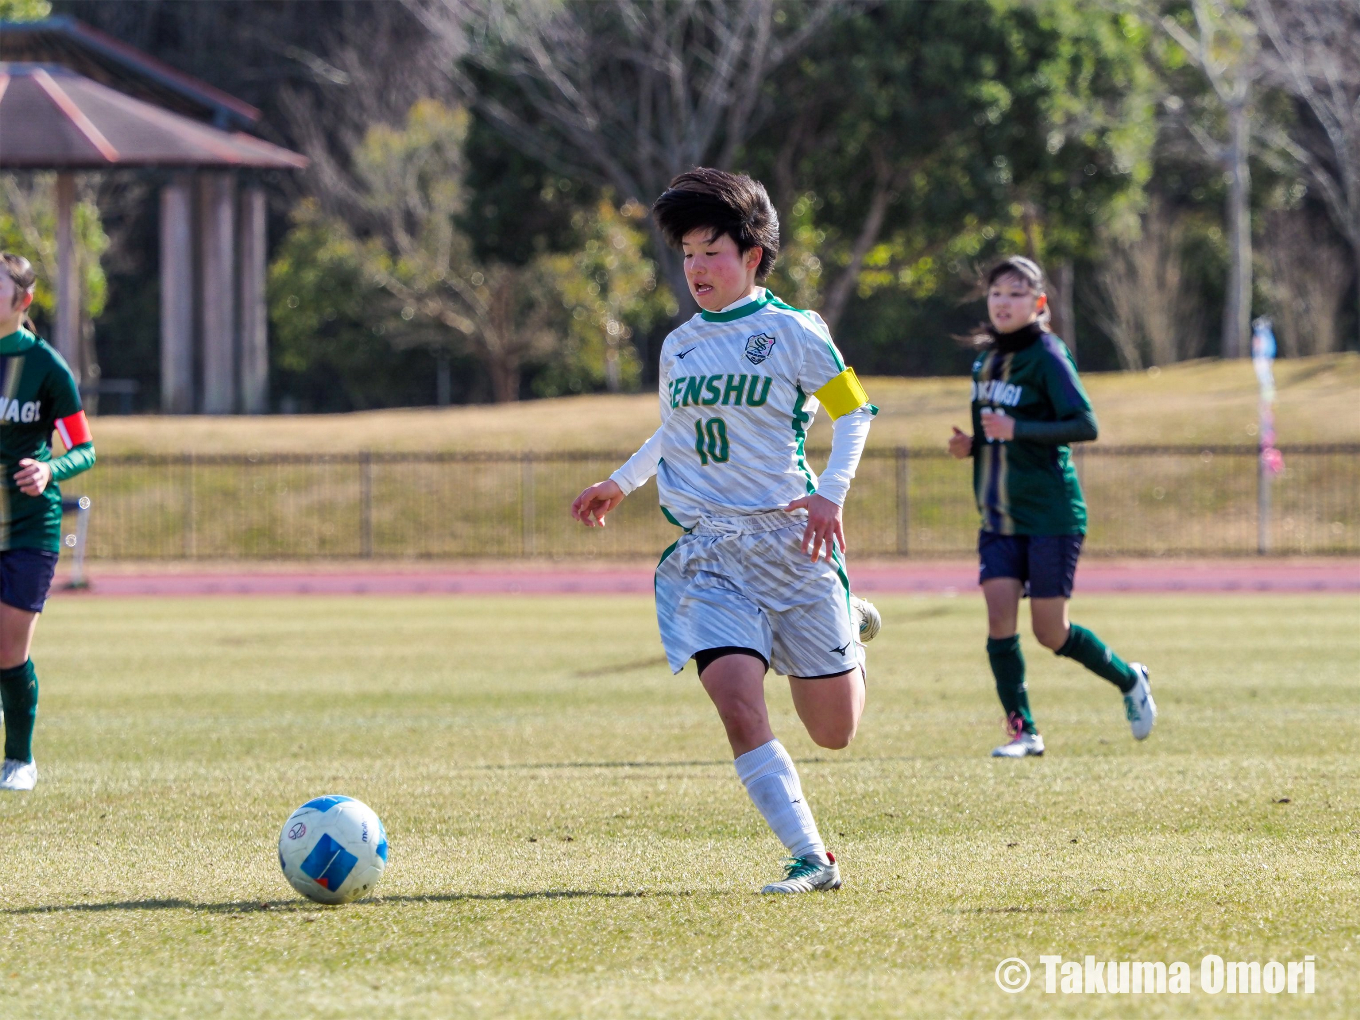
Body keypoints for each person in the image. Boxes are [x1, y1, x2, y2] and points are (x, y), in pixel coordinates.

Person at [571, 168, 880, 894]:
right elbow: (675, 432)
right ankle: (812, 856)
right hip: (711, 551)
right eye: (687, 254)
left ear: (753, 253)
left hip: (793, 547)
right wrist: (622, 480)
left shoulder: (796, 333)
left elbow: (856, 411)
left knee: (833, 732)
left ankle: (848, 619)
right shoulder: (678, 346)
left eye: (712, 251)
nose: (697, 268)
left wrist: (831, 495)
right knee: (736, 699)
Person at [948, 256, 1155, 757]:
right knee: (999, 619)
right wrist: (974, 444)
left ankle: (1129, 678)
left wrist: (1019, 430)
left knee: (1050, 631)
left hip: (1051, 515)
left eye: (1016, 294)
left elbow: (1085, 424)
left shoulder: (1047, 354)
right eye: (997, 292)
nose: (1003, 302)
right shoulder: (985, 360)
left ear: (1038, 304)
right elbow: (997, 431)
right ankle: (1024, 731)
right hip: (998, 518)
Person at [0, 253, 97, 791]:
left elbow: (84, 448)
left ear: (23, 300)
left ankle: (19, 761)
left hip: (31, 526)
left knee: (9, 649)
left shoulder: (45, 367)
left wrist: (49, 467)